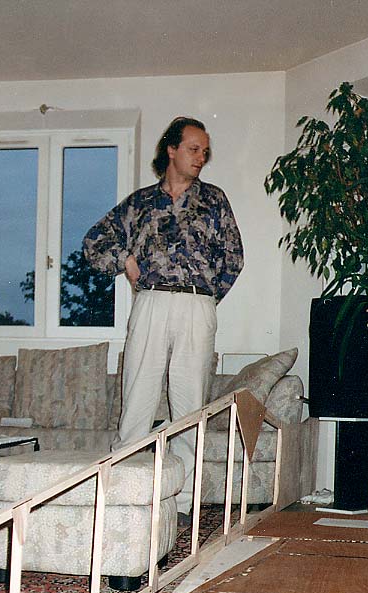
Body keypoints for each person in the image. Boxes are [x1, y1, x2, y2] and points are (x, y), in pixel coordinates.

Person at [83, 116, 244, 520]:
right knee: (137, 399)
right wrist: (125, 260)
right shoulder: (140, 203)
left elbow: (233, 257)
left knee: (189, 408)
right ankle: (121, 495)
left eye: (205, 151)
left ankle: (182, 502)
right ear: (171, 150)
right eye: (193, 149)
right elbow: (93, 242)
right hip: (151, 303)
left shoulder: (214, 200)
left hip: (196, 306)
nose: (201, 157)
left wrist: (205, 299)